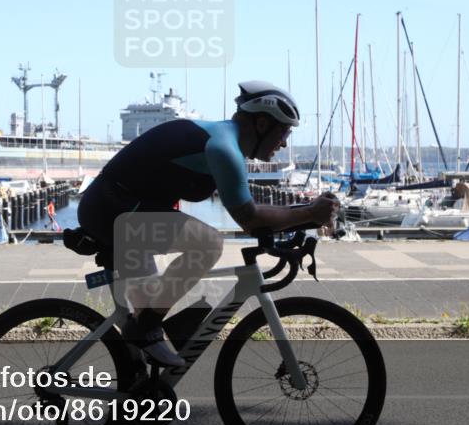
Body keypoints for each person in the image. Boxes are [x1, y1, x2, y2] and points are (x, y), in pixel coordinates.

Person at [77, 81, 340, 366]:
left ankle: (138, 386)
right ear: (263, 123)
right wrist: (309, 213)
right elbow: (250, 219)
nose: (285, 142)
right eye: (285, 132)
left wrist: (307, 212)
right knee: (208, 243)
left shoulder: (226, 141)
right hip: (111, 210)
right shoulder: (223, 148)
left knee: (148, 328)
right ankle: (144, 329)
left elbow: (254, 213)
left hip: (127, 211)